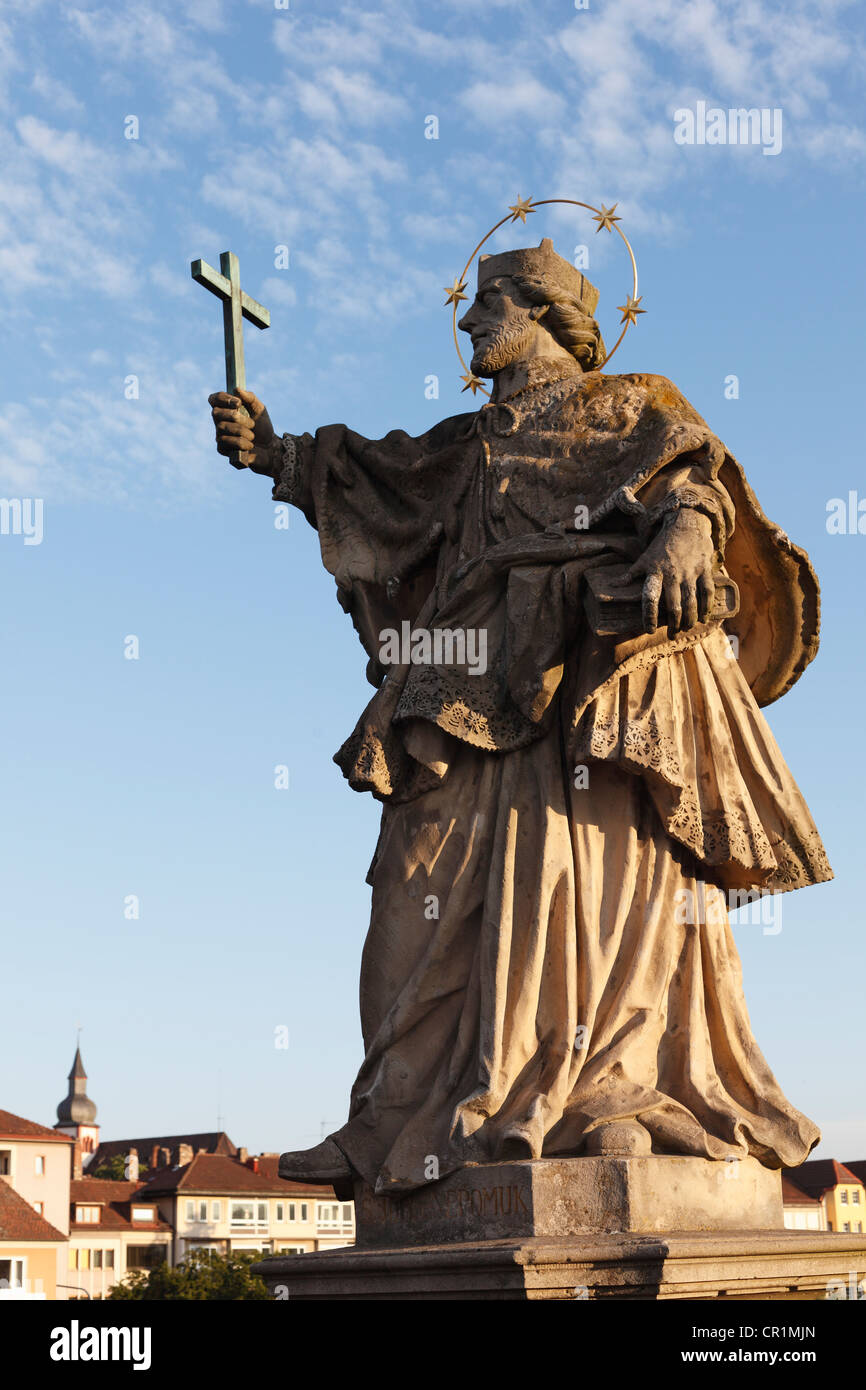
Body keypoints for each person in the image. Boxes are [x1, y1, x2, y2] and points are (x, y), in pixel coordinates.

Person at [209, 239, 831, 1199]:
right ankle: (391, 1115)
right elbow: (379, 482)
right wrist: (278, 453)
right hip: (461, 671)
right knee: (410, 887)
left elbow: (697, 479)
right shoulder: (464, 444)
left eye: (487, 305)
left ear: (545, 312)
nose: (468, 324)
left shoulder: (632, 403)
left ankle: (609, 1095)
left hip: (589, 669)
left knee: (597, 880)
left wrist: (685, 533)